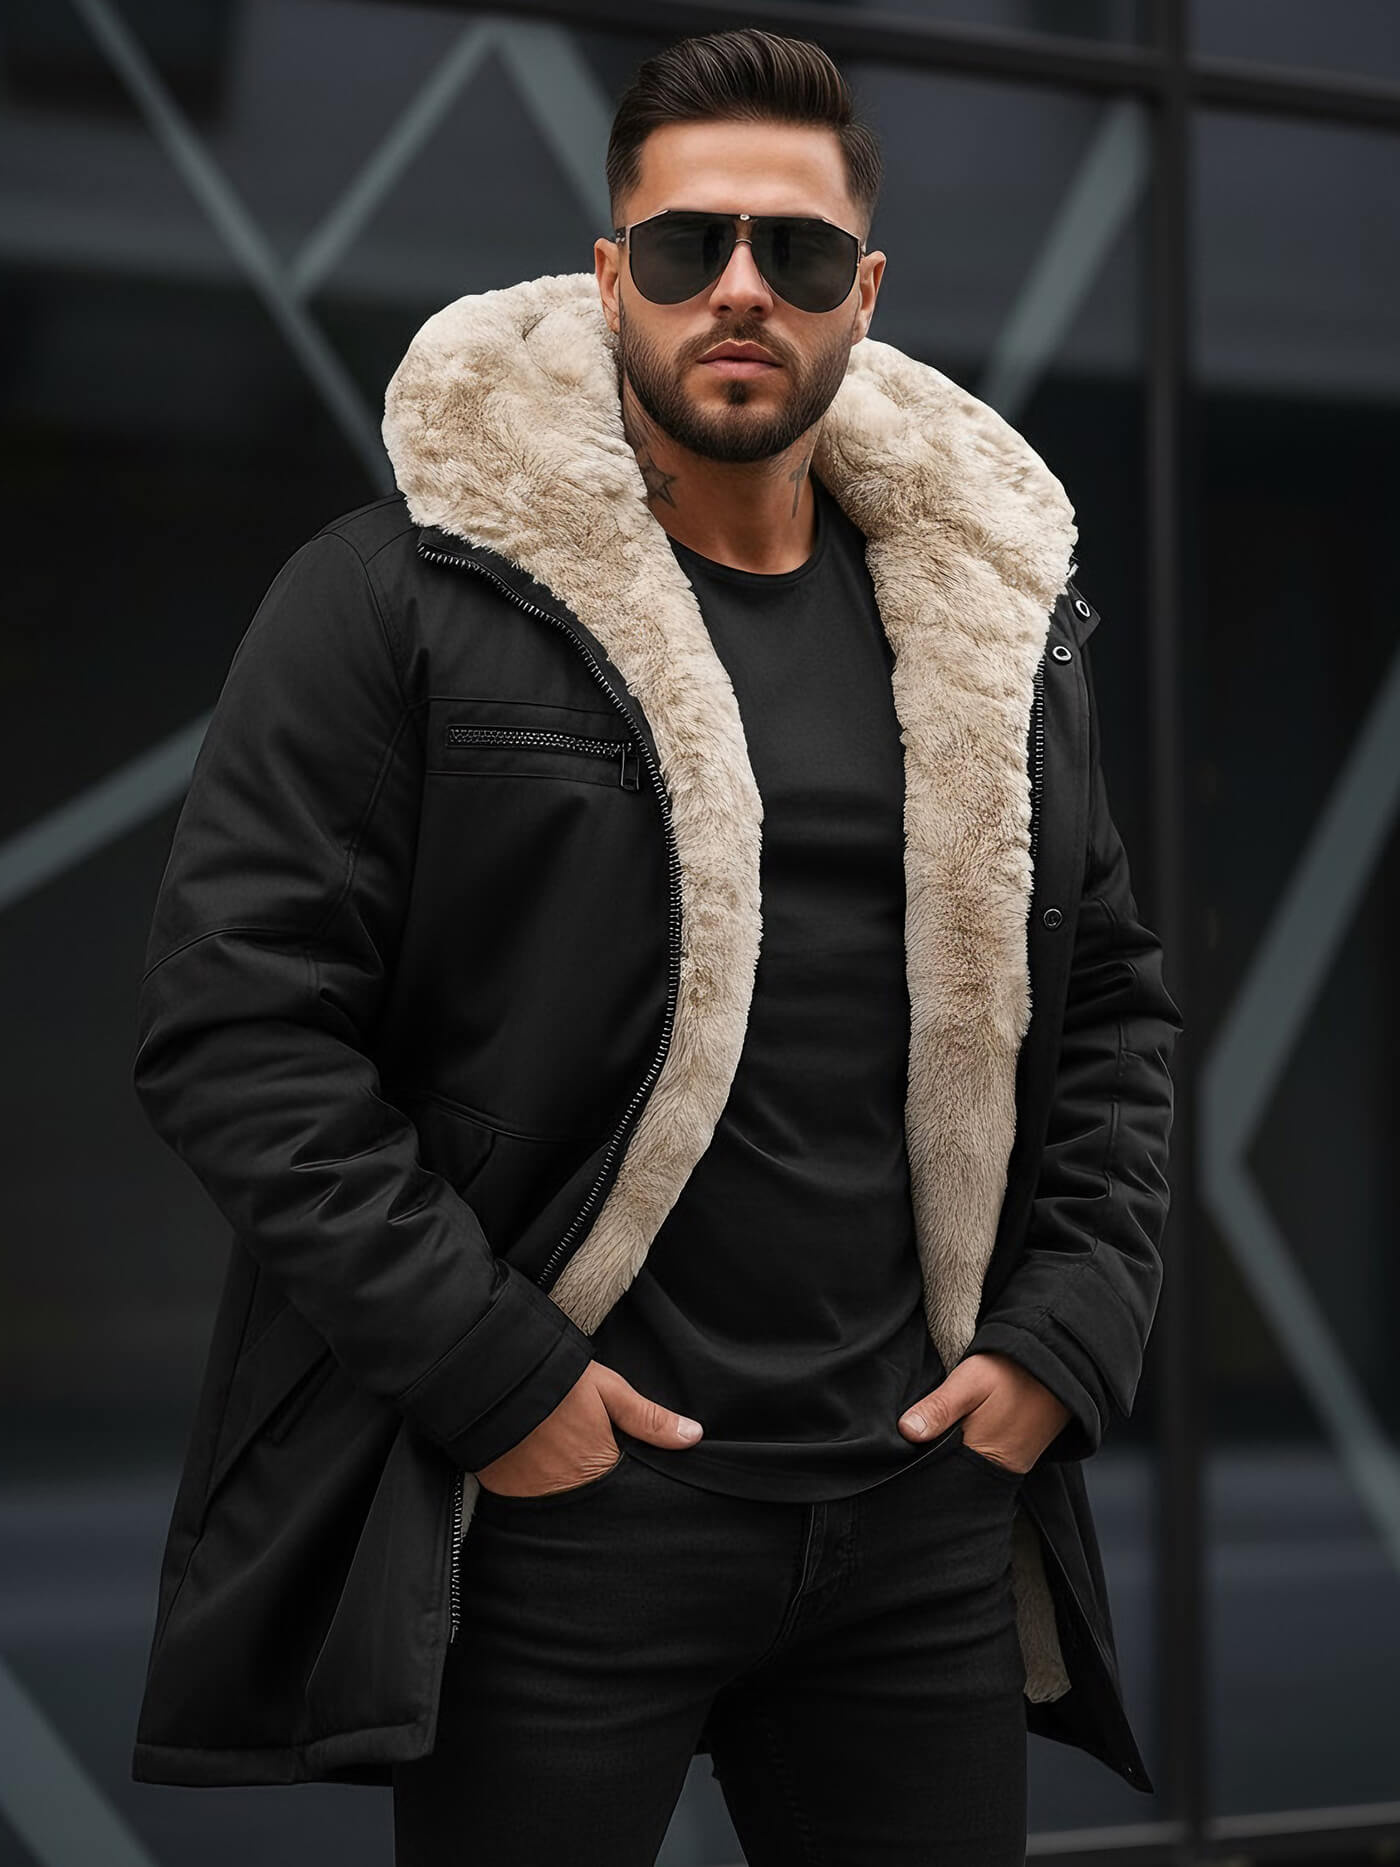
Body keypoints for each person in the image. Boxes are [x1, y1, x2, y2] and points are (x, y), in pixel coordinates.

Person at [128, 26, 1183, 1867]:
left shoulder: (989, 636)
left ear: (866, 292)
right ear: (613, 276)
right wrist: (499, 1381)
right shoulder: (402, 596)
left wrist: (1068, 1335)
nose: (741, 289)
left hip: (920, 1518)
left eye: (796, 250)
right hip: (565, 1518)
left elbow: (1104, 1009)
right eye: (691, 247)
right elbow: (239, 1027)